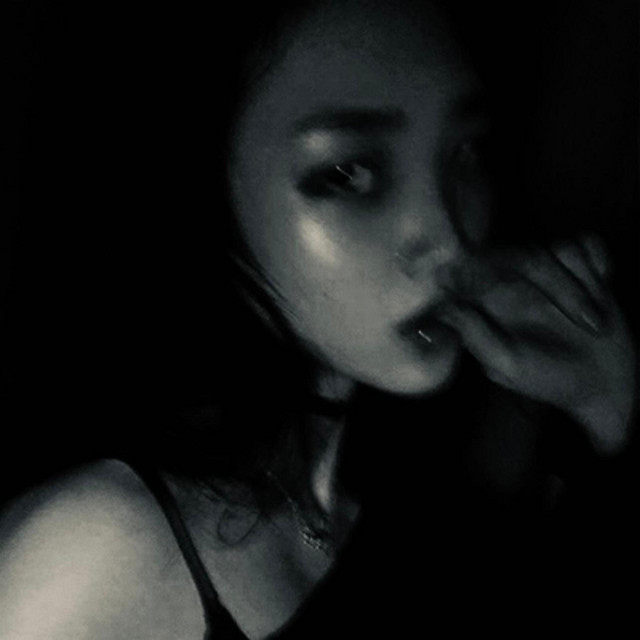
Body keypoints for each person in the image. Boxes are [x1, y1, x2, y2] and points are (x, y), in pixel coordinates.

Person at [1, 1, 637, 638]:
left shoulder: (424, 492)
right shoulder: (92, 557)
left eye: (465, 150)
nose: (449, 238)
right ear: (200, 195)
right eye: (347, 172)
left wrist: (608, 404)